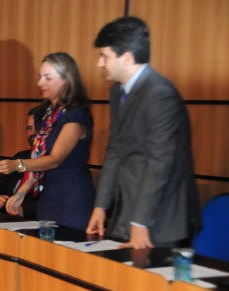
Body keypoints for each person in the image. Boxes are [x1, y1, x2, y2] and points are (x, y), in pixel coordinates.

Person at [86, 16, 200, 249]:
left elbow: (160, 162)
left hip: (159, 219)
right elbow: (115, 151)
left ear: (126, 58)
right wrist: (101, 206)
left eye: (104, 56)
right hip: (126, 212)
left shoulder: (159, 93)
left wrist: (140, 222)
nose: (100, 64)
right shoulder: (118, 92)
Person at [0, 52, 95, 230]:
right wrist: (22, 191)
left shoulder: (75, 114)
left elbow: (54, 160)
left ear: (66, 79)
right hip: (48, 196)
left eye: (47, 78)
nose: (40, 83)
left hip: (71, 198)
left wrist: (16, 165)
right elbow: (38, 156)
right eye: (40, 77)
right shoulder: (46, 115)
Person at [0, 106, 45, 218]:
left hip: (32, 220)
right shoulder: (21, 156)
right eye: (29, 128)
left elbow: (50, 200)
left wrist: (24, 210)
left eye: (37, 127)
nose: (33, 133)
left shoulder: (51, 162)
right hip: (5, 217)